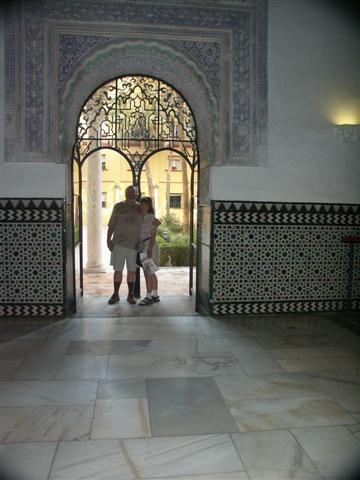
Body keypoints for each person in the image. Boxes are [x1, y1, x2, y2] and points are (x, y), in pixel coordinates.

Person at [138, 197, 161, 305]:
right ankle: (155, 295)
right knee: (151, 272)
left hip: (148, 245)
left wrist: (150, 249)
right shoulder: (142, 218)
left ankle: (148, 297)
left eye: (145, 204)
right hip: (144, 246)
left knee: (148, 273)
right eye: (141, 204)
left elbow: (153, 233)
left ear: (149, 206)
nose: (143, 206)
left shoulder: (150, 217)